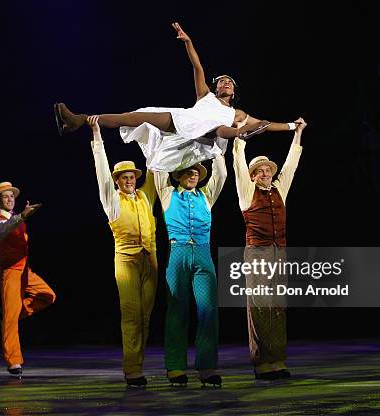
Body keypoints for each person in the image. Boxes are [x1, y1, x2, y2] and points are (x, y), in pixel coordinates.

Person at [54, 22, 300, 172]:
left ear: (234, 92)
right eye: (222, 81)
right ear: (217, 88)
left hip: (210, 134)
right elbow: (198, 68)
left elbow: (265, 124)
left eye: (229, 82)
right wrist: (188, 42)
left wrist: (292, 126)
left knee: (221, 128)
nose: (225, 83)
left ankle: (239, 134)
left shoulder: (236, 113)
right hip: (183, 120)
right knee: (134, 117)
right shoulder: (205, 95)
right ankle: (78, 120)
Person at [232, 117, 307, 381]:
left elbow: (292, 165)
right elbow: (238, 165)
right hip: (258, 253)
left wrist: (297, 134)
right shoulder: (246, 192)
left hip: (280, 252)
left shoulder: (279, 190)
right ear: (252, 176)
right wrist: (239, 140)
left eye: (268, 170)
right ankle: (262, 361)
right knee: (260, 306)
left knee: (277, 306)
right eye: (260, 171)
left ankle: (277, 358)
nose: (266, 173)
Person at [87, 116, 158, 387]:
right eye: (124, 178)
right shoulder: (112, 199)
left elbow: (154, 165)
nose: (129, 180)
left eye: (132, 177)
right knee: (131, 313)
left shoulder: (144, 196)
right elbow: (101, 171)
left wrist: (151, 136)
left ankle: (137, 364)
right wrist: (97, 136)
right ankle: (132, 369)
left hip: (150, 258)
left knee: (146, 315)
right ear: (117, 181)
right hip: (126, 259)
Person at [153, 155, 226, 387]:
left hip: (203, 254)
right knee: (177, 309)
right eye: (189, 172)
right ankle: (175, 366)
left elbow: (221, 175)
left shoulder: (206, 196)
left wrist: (217, 151)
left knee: (208, 309)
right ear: (179, 175)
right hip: (178, 253)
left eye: (196, 173)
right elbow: (158, 168)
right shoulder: (167, 194)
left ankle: (207, 366)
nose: (194, 175)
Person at [0, 182, 56, 377]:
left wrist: (21, 217)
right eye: (5, 197)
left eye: (11, 196)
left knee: (48, 296)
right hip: (10, 273)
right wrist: (22, 216)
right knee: (11, 320)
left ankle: (10, 314)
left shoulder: (16, 219)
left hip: (26, 271)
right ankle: (14, 361)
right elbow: (3, 230)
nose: (10, 200)